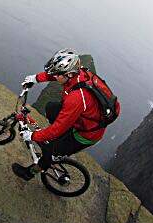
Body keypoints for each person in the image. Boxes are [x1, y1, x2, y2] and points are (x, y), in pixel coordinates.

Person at [12, 49, 120, 181]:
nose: (55, 77)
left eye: (58, 75)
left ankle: (30, 172)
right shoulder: (80, 73)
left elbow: (57, 129)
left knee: (49, 149)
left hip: (85, 134)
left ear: (69, 74)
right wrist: (36, 78)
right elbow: (55, 75)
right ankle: (57, 140)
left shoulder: (76, 98)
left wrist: (33, 136)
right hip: (80, 118)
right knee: (51, 108)